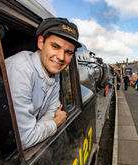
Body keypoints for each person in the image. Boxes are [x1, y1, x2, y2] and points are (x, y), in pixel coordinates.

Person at [5, 17, 81, 150]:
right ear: (41, 43)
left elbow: (52, 110)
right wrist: (56, 122)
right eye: (55, 46)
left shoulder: (54, 73)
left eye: (68, 52)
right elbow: (24, 139)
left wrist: (37, 128)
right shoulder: (20, 69)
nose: (61, 57)